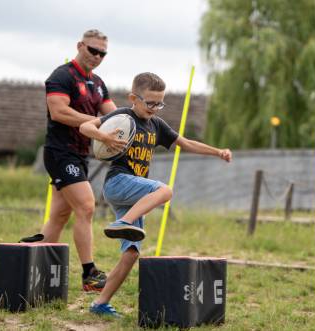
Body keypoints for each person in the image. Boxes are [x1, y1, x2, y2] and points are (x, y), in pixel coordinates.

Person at [79, 72, 232, 316]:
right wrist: (104, 136)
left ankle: (100, 304)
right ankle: (123, 222)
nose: (155, 108)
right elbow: (85, 126)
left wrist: (217, 152)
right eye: (150, 102)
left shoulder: (156, 125)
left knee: (131, 253)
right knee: (165, 190)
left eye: (159, 103)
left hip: (134, 195)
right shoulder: (123, 116)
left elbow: (187, 143)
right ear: (133, 98)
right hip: (117, 182)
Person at [40, 29, 121, 292]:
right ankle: (89, 274)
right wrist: (96, 124)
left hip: (81, 154)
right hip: (60, 152)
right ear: (80, 46)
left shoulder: (98, 82)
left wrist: (138, 124)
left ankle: (36, 266)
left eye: (102, 53)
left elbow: (115, 115)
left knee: (59, 216)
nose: (97, 56)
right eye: (92, 50)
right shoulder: (62, 75)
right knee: (86, 206)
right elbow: (59, 111)